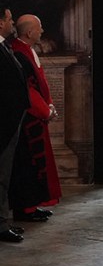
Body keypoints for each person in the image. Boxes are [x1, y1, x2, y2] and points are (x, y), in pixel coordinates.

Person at [9, 14, 61, 222]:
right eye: (39, 28)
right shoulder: (18, 52)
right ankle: (25, 208)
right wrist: (45, 111)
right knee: (28, 164)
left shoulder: (26, 49)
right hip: (28, 120)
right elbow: (28, 88)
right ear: (30, 32)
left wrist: (49, 105)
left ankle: (32, 205)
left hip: (36, 116)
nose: (42, 31)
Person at [0, 4, 29, 243]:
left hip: (10, 122)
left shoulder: (4, 46)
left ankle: (3, 221)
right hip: (3, 123)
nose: (12, 23)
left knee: (5, 175)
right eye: (9, 19)